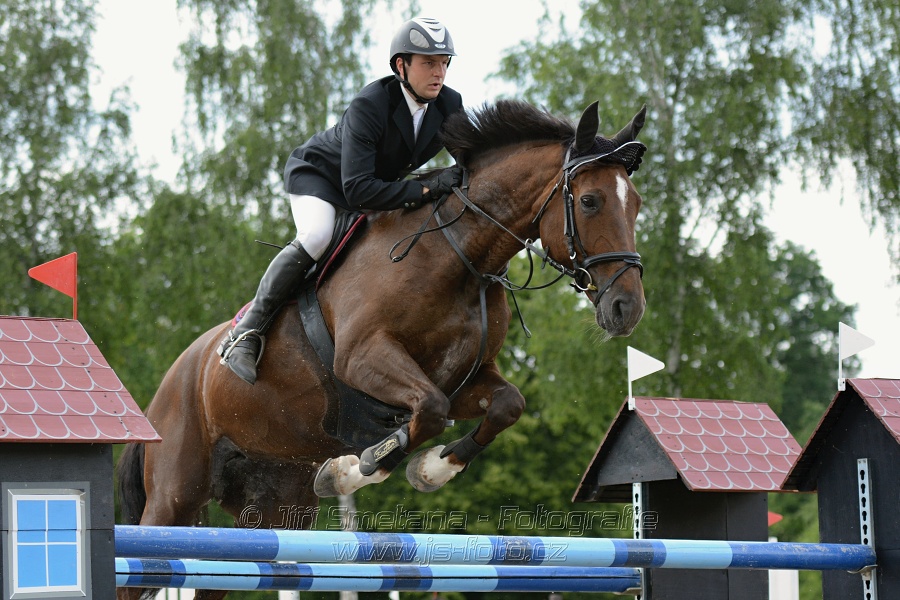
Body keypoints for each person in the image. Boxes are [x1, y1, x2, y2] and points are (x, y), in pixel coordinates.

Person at [219, 17, 465, 385]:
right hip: (321, 178)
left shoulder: (449, 103)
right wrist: (427, 189)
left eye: (444, 62)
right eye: (429, 62)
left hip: (372, 187)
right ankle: (247, 331)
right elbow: (360, 191)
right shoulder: (371, 104)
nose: (439, 72)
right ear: (401, 65)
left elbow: (469, 161)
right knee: (318, 235)